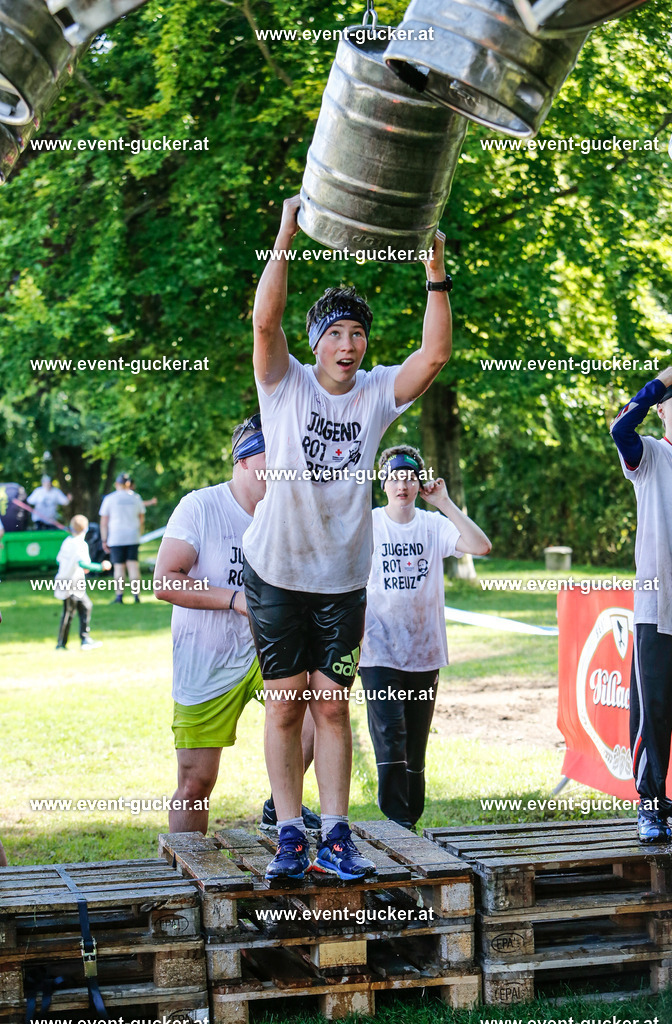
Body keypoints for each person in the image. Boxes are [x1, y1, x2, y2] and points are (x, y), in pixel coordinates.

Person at [242, 194, 454, 881]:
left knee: (330, 704)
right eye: (335, 333)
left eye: (356, 334)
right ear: (315, 343)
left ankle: (335, 835)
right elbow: (264, 318)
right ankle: (289, 837)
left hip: (341, 581)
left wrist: (434, 272)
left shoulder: (374, 393)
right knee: (284, 707)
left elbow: (435, 353)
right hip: (274, 573)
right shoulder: (283, 384)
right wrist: (285, 233)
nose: (347, 344)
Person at [154, 416, 319, 835]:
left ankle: (278, 807)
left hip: (269, 652)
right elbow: (165, 580)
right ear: (243, 459)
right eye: (272, 455)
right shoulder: (201, 507)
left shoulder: (289, 512)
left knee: (319, 719)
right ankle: (183, 883)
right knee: (196, 782)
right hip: (207, 656)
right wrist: (234, 599)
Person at [358, 445, 491, 830]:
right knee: (390, 734)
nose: (402, 484)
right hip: (378, 649)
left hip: (424, 651)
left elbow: (480, 546)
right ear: (383, 483)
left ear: (419, 484)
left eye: (410, 477)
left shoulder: (433, 526)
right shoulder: (368, 524)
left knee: (415, 743)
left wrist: (445, 504)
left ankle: (409, 819)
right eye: (395, 477)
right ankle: (397, 820)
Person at [610, 364, 672, 843]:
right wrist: (663, 378)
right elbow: (620, 427)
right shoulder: (652, 456)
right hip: (661, 609)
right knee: (653, 713)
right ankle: (651, 805)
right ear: (661, 412)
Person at [55, 514, 111, 650]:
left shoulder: (67, 541)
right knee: (69, 613)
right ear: (85, 529)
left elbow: (59, 559)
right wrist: (101, 567)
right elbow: (84, 564)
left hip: (66, 581)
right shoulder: (80, 544)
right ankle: (62, 644)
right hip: (70, 584)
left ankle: (84, 639)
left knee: (85, 606)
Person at [100, 473, 145, 604]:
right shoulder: (136, 498)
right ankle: (136, 595)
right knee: (133, 566)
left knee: (119, 567)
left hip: (116, 536)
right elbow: (141, 519)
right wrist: (139, 534)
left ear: (117, 484)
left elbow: (104, 522)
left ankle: (119, 596)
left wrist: (104, 539)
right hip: (132, 536)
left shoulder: (110, 499)